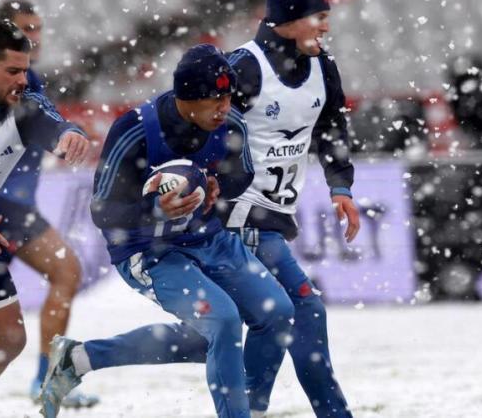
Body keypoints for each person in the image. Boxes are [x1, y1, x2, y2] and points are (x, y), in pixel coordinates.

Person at [39, 44, 295, 418]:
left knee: (276, 313)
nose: (224, 106)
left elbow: (242, 176)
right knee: (223, 321)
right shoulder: (135, 129)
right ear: (185, 98)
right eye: (214, 98)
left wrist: (219, 186)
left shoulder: (231, 123)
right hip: (148, 250)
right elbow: (102, 211)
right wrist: (155, 209)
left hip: (209, 239)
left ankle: (78, 359)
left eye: (228, 96)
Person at [0, 0, 98, 409]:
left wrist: (69, 133)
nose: (34, 40)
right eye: (24, 31)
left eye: (37, 30)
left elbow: (47, 119)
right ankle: (48, 376)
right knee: (64, 271)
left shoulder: (25, 89)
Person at [219, 0, 360, 416]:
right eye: (319, 15)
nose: (325, 24)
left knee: (252, 324)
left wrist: (341, 187)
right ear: (290, 17)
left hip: (270, 220)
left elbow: (332, 130)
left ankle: (88, 356)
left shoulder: (323, 67)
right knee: (301, 313)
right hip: (239, 219)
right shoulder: (242, 67)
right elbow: (197, 127)